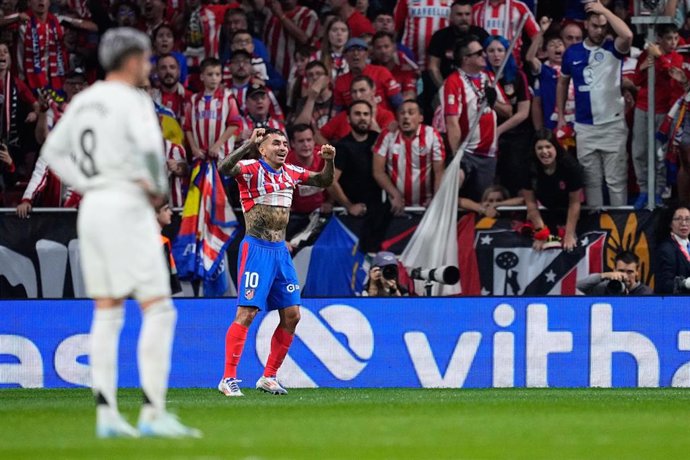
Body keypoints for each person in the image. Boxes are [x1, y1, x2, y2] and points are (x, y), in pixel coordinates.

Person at [39, 27, 200, 438]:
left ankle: (107, 414)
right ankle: (151, 411)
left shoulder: (85, 100)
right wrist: (158, 196)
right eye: (145, 58)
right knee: (158, 308)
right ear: (130, 60)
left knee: (107, 311)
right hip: (128, 205)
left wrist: (88, 184)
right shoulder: (135, 101)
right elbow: (151, 155)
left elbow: (53, 151)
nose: (148, 65)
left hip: (93, 208)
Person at [217, 127, 336, 396]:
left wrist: (328, 161)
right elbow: (224, 167)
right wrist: (248, 144)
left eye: (285, 143)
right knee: (247, 313)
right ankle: (228, 378)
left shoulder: (292, 172)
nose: (283, 148)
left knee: (293, 315)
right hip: (256, 249)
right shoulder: (249, 168)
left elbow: (323, 181)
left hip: (280, 252)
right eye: (276, 144)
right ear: (262, 148)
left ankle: (269, 376)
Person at [557, 1, 633, 208]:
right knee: (591, 181)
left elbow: (627, 35)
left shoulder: (614, 48)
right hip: (584, 127)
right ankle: (596, 228)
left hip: (613, 125)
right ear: (585, 25)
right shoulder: (572, 53)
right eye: (595, 26)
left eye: (603, 26)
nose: (599, 31)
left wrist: (604, 11)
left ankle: (619, 225)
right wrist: (562, 115)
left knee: (615, 181)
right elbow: (562, 82)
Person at [442, 35, 510, 201]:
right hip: (466, 151)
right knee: (453, 190)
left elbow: (508, 112)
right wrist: (456, 154)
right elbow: (452, 122)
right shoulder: (454, 81)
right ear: (466, 59)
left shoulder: (489, 77)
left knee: (483, 201)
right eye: (479, 53)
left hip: (489, 153)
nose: (485, 55)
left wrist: (494, 102)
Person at [631, 24, 685, 209]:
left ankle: (659, 191)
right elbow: (636, 81)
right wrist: (644, 67)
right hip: (643, 107)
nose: (673, 42)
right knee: (639, 152)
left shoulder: (677, 58)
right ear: (659, 38)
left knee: (659, 153)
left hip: (664, 111)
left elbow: (670, 74)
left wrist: (659, 57)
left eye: (676, 38)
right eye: (669, 38)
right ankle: (644, 190)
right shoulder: (647, 55)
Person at [373, 99, 445, 214]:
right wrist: (394, 194)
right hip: (394, 206)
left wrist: (436, 200)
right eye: (402, 113)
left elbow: (439, 172)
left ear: (420, 118)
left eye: (411, 113)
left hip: (425, 207)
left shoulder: (432, 135)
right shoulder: (387, 135)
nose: (406, 116)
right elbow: (378, 171)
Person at [520, 128, 584, 252]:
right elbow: (531, 204)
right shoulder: (528, 167)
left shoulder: (570, 166)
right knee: (539, 242)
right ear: (534, 150)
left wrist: (569, 235)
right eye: (539, 148)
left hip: (569, 212)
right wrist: (541, 233)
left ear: (555, 147)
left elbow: (574, 203)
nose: (544, 152)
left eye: (548, 147)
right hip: (545, 212)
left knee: (569, 243)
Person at [485, 35, 532, 197]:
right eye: (491, 51)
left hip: (516, 134)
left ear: (507, 53)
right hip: (486, 133)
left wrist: (498, 131)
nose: (496, 55)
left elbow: (523, 113)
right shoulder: (482, 78)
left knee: (514, 172)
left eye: (500, 50)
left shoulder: (518, 76)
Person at [183, 57, 241, 162]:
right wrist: (194, 148)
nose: (214, 78)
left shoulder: (228, 98)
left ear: (221, 77)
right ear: (202, 76)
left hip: (222, 156)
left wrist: (217, 145)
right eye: (210, 74)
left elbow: (234, 125)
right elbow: (187, 128)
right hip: (199, 156)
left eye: (217, 74)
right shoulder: (193, 100)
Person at [427, 0, 489, 91]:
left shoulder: (481, 34)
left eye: (467, 14)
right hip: (447, 84)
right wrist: (444, 89)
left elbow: (489, 63)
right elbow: (433, 67)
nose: (464, 18)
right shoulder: (440, 36)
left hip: (478, 86)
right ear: (451, 17)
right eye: (459, 14)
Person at [577, 251, 652, 295]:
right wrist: (603, 275)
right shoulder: (607, 287)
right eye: (621, 271)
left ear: (637, 272)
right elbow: (576, 289)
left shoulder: (644, 293)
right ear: (614, 270)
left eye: (630, 272)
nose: (625, 275)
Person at [655, 205, 690, 294]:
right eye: (679, 219)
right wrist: (684, 283)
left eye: (687, 219)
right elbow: (665, 284)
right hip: (677, 302)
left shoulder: (687, 245)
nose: (684, 223)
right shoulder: (666, 249)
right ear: (670, 223)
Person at [155, 199, 182, 296]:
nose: (170, 212)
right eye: (166, 209)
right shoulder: (154, 244)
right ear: (155, 214)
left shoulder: (163, 241)